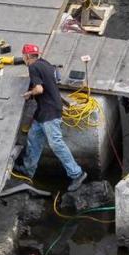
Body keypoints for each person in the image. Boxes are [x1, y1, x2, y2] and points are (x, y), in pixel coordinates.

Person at [17, 43, 87, 189]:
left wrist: (29, 94)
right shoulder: (47, 64)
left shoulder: (33, 67)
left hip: (49, 111)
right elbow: (55, 79)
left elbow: (39, 89)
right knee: (33, 139)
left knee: (56, 144)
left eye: (24, 56)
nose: (23, 58)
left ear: (27, 56)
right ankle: (28, 170)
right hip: (43, 111)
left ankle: (77, 174)